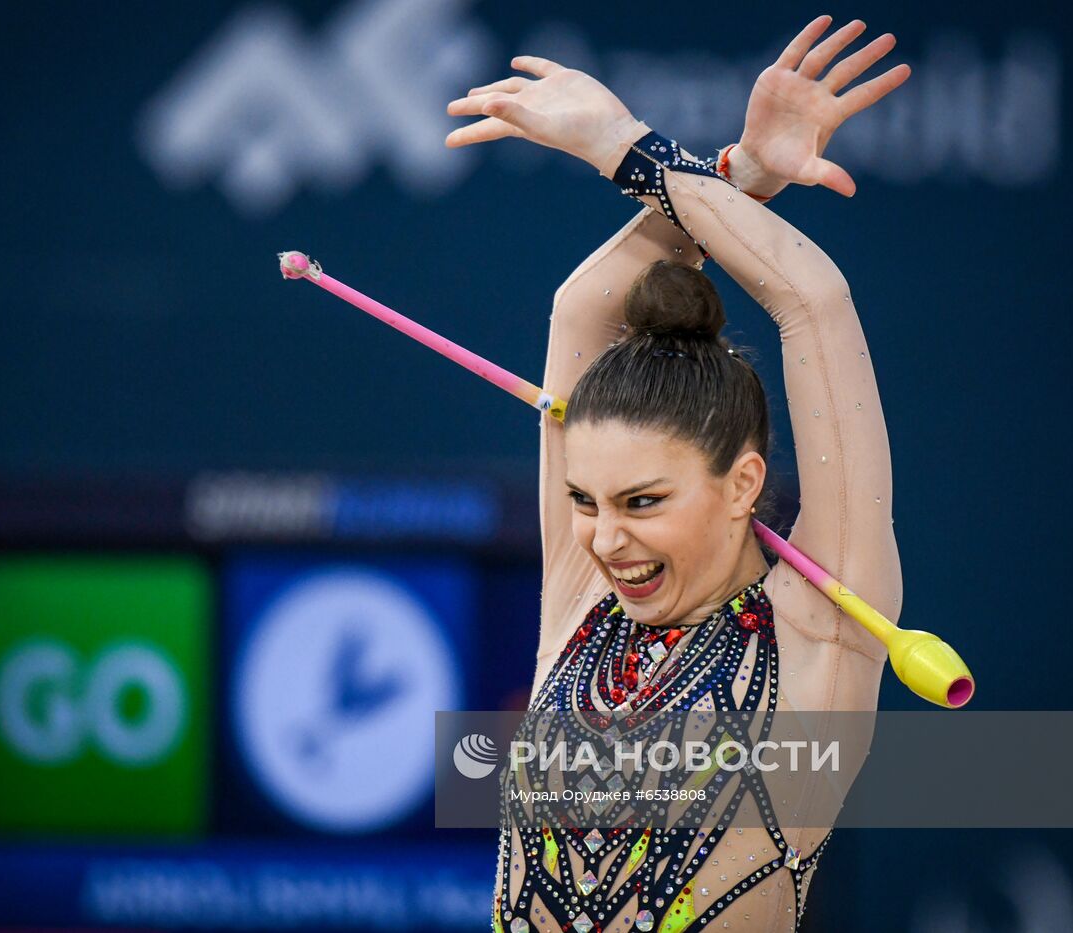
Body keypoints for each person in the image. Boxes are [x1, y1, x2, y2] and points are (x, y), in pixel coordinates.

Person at [446, 16, 911, 932]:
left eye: (643, 502)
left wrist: (625, 147)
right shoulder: (585, 606)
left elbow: (811, 302)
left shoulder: (822, 631)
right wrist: (739, 179)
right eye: (583, 501)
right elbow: (582, 307)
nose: (603, 538)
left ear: (742, 484)